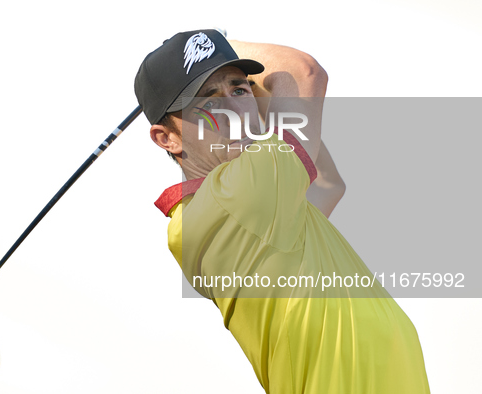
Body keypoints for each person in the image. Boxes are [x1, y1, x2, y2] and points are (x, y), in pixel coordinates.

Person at [134, 29, 430, 393]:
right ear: (168, 138)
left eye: (240, 91)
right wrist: (222, 40)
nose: (235, 108)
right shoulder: (239, 194)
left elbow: (326, 183)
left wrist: (229, 79)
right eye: (209, 102)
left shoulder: (251, 202)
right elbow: (302, 72)